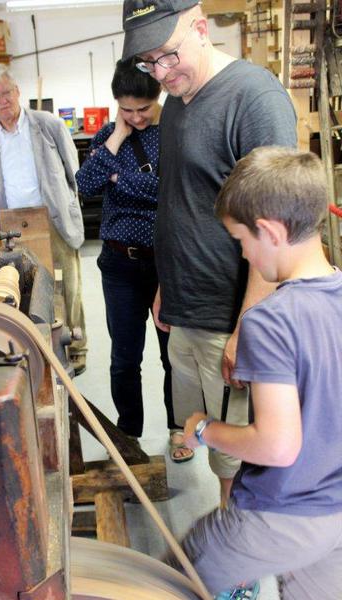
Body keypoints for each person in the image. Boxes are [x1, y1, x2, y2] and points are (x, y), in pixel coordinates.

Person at [122, 0, 297, 505]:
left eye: (167, 55)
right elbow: (179, 200)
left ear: (201, 28)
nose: (160, 73)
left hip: (230, 314)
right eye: (148, 63)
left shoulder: (253, 98)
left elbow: (275, 225)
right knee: (208, 435)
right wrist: (166, 285)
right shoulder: (178, 102)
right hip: (186, 306)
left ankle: (235, 549)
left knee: (238, 457)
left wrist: (250, 326)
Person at [164, 145, 342, 600]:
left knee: (167, 579)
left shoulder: (270, 320)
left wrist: (204, 429)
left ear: (271, 232)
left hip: (281, 515)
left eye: (241, 240)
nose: (243, 255)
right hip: (335, 515)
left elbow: (277, 446)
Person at [75, 59, 191, 460]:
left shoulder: (174, 132)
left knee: (172, 353)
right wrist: (117, 137)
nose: (137, 117)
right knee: (124, 358)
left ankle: (178, 428)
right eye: (127, 110)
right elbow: (85, 184)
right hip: (119, 264)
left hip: (165, 263)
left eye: (143, 109)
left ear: (157, 97)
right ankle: (128, 434)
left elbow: (169, 192)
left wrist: (119, 178)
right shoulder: (109, 135)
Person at [0, 62, 87, 375]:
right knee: (26, 288)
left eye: (6, 93)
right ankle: (39, 347)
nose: (2, 101)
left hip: (52, 217)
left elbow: (74, 173)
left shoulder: (48, 124)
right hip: (14, 224)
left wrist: (70, 209)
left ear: (17, 90)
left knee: (67, 286)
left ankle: (76, 349)